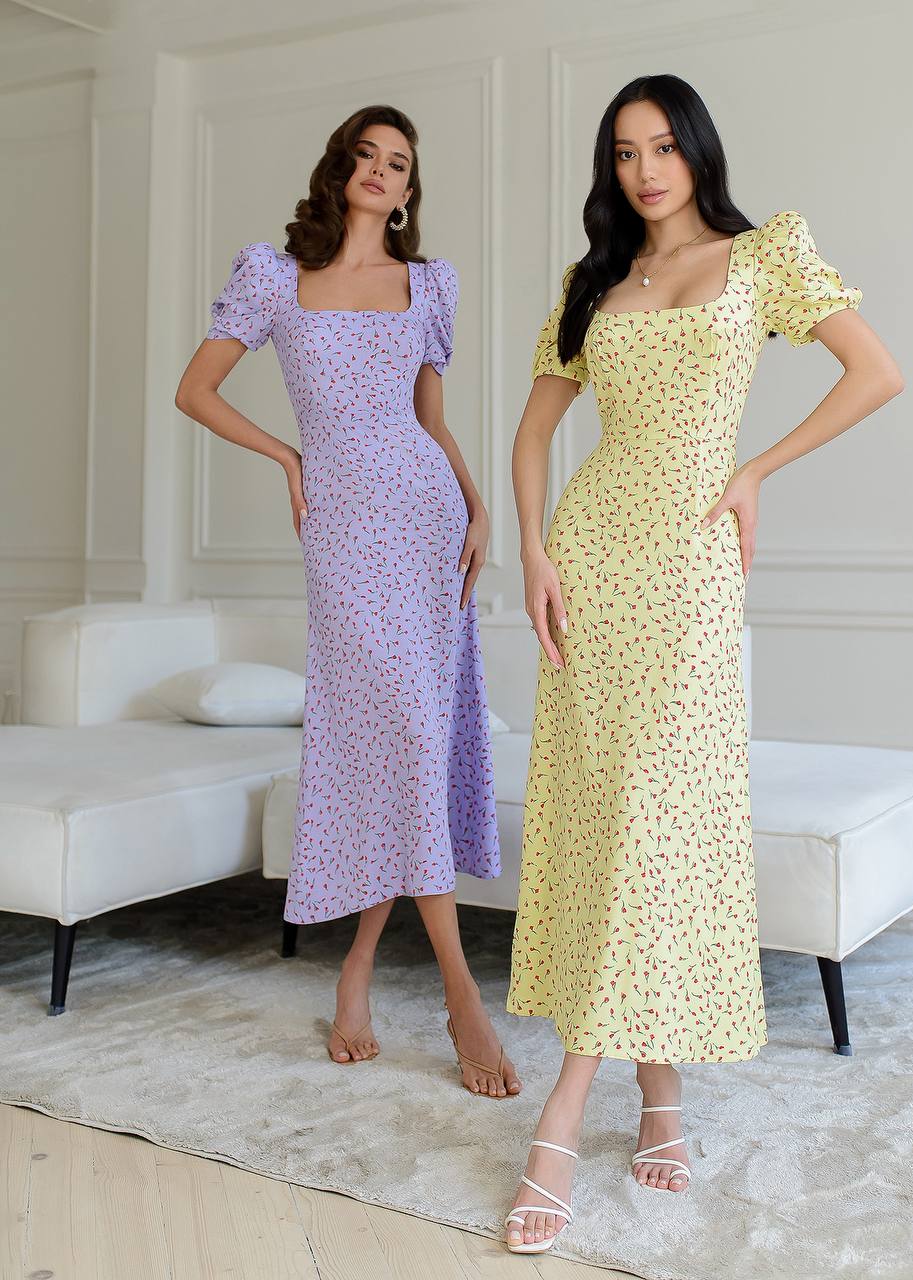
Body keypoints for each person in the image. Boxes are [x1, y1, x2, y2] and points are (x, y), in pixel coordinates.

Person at [502, 74, 903, 1252]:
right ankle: (660, 1093)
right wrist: (530, 551)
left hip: (687, 563)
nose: (644, 169)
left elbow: (874, 371)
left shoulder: (764, 255)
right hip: (589, 555)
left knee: (653, 820)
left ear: (697, 152)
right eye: (624, 151)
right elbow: (532, 433)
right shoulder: (593, 284)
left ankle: (564, 1112)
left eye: (663, 146)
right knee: (604, 818)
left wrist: (756, 470)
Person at [174, 105, 521, 1100]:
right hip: (341, 528)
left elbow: (429, 418)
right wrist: (286, 452)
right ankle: (461, 994)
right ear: (340, 172)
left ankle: (360, 966)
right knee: (397, 733)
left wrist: (475, 500)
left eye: (397, 162)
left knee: (407, 740)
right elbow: (195, 390)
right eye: (364, 155)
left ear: (409, 191)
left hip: (425, 518)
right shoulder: (273, 277)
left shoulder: (428, 284)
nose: (379, 170)